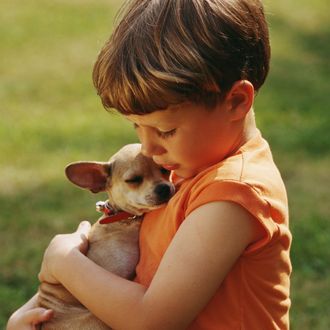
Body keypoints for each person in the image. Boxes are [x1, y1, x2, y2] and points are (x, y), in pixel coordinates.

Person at [7, 0, 292, 329]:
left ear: (237, 101)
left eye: (165, 131)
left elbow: (151, 321)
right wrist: (28, 316)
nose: (148, 147)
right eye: (137, 128)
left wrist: (62, 260)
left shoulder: (233, 195)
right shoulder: (188, 169)